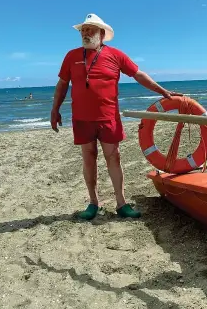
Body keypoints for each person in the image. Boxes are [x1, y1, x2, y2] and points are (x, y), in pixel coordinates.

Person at [50, 13, 182, 220]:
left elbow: (138, 74)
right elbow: (62, 84)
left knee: (114, 157)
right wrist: (54, 109)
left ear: (102, 34)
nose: (85, 33)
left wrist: (163, 91)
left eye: (90, 30)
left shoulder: (116, 55)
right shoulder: (71, 56)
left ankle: (121, 203)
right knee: (88, 158)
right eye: (83, 30)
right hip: (82, 118)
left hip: (108, 117)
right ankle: (93, 203)